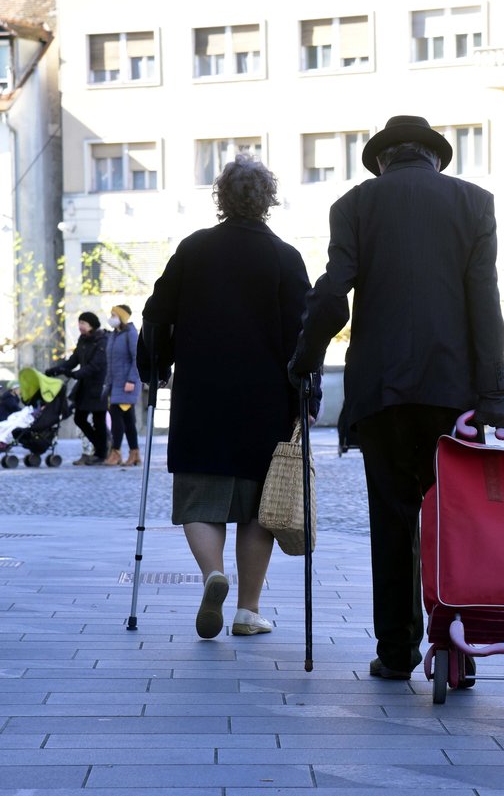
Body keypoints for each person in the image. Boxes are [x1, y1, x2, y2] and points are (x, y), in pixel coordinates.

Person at [287, 115, 504, 681]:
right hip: (454, 394)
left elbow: (334, 295)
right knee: (452, 521)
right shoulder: (474, 204)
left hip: (381, 394)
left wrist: (306, 358)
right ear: (433, 157)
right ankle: (457, 648)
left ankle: (397, 651)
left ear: (383, 160)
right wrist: (493, 395)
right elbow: (485, 304)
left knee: (392, 523)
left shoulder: (355, 206)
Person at [139, 155, 312, 639]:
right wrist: (305, 390)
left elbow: (157, 313)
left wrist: (157, 366)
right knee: (260, 508)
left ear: (221, 198)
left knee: (200, 497)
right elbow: (303, 331)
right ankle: (247, 609)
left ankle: (212, 574)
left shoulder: (194, 249)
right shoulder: (284, 256)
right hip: (265, 400)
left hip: (201, 395)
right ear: (268, 199)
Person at [46, 312, 110, 466]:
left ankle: (101, 452)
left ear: (92, 325)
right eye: (79, 322)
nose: (80, 326)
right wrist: (57, 369)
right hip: (84, 384)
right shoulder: (83, 340)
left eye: (84, 323)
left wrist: (75, 374)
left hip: (98, 385)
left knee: (98, 419)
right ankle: (102, 446)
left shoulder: (102, 341)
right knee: (79, 418)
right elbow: (73, 361)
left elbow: (96, 365)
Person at [104, 305, 141, 466]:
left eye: (114, 315)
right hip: (116, 384)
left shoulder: (131, 334)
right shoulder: (114, 335)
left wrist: (132, 380)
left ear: (122, 317)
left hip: (127, 384)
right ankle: (134, 454)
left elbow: (136, 358)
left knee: (117, 417)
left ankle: (116, 452)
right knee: (128, 420)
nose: (111, 317)